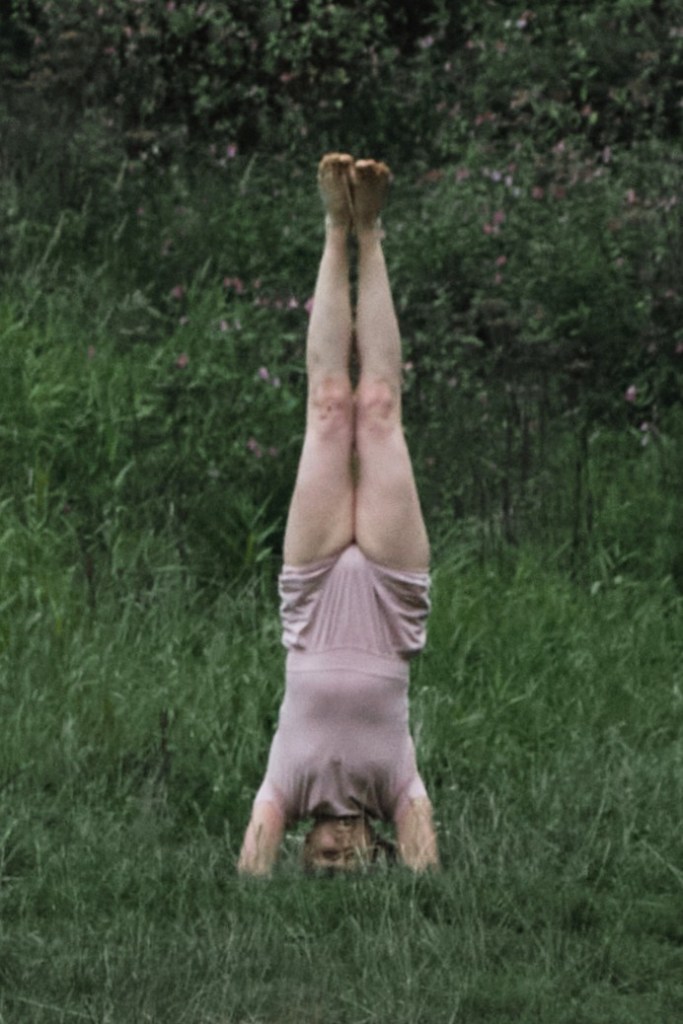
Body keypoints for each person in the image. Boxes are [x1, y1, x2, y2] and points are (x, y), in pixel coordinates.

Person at [238, 153, 439, 875]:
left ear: (304, 847)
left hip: (315, 596)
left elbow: (247, 875)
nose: (333, 861)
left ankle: (334, 224)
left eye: (320, 866)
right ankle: (371, 229)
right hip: (390, 605)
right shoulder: (396, 790)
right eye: (345, 870)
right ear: (372, 852)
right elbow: (428, 879)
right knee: (378, 410)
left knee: (329, 410)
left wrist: (262, 880)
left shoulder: (285, 787)